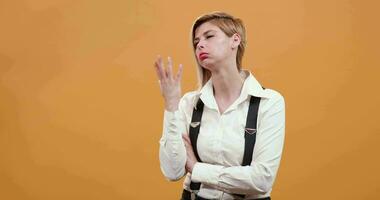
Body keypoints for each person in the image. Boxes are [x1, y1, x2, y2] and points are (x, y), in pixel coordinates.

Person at [154, 11, 285, 200]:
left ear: (235, 40)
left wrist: (195, 168)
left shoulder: (269, 102)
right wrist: (171, 105)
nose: (200, 44)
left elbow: (262, 179)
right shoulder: (189, 103)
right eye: (196, 41)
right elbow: (172, 171)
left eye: (209, 36)